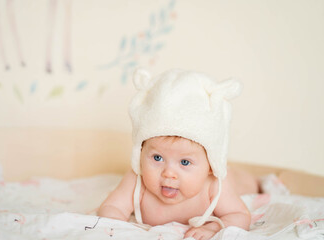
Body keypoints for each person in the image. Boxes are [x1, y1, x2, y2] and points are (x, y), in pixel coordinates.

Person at [98, 68, 259, 240]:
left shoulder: (215, 184)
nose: (169, 173)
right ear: (140, 153)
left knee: (246, 184)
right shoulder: (137, 180)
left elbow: (239, 214)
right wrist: (115, 225)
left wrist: (213, 229)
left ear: (211, 166)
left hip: (234, 179)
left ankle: (254, 179)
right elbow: (112, 208)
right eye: (157, 158)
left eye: (184, 162)